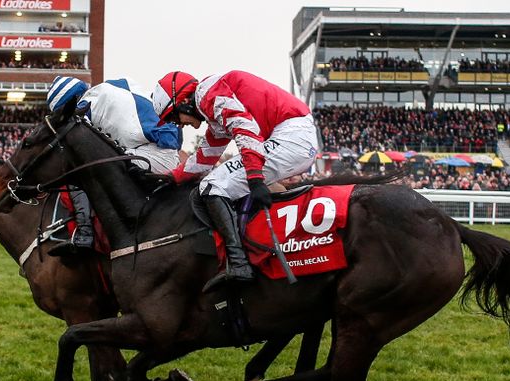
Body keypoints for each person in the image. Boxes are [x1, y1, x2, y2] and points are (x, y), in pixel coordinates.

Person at [151, 70, 318, 290]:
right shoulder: (212, 103)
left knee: (212, 185)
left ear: (183, 101)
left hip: (291, 137)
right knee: (213, 182)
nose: (178, 125)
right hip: (293, 135)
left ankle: (239, 264)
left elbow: (245, 130)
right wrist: (170, 177)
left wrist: (255, 179)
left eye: (173, 117)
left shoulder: (210, 95)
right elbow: (205, 157)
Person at [44, 75, 181, 255]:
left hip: (154, 155)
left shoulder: (84, 108)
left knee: (81, 170)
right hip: (166, 149)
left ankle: (85, 233)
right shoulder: (117, 84)